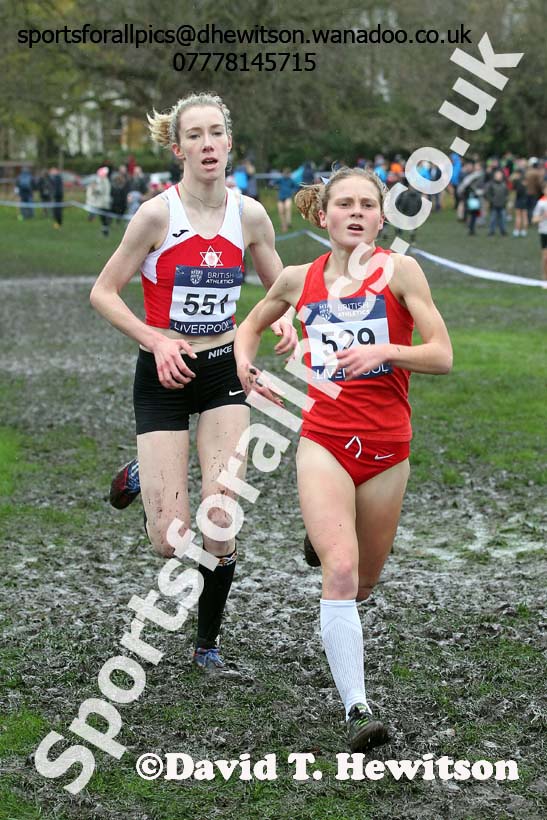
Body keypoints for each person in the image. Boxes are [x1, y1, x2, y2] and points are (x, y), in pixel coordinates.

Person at [233, 167, 452, 752]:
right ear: (323, 216)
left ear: (382, 218)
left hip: (387, 450)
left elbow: (443, 354)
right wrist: (246, 370)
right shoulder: (299, 279)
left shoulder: (400, 272)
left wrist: (385, 350)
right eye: (344, 204)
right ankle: (359, 711)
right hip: (325, 441)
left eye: (367, 205)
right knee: (342, 570)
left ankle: (326, 541)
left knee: (363, 586)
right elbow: (248, 328)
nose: (356, 213)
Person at [90, 92, 297, 674]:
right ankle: (139, 472)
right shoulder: (157, 215)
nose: (207, 145)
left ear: (229, 143)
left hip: (222, 373)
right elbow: (103, 292)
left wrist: (287, 326)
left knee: (222, 517)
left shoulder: (250, 215)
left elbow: (278, 288)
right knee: (168, 539)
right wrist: (155, 340)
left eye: (216, 134)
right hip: (162, 374)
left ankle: (207, 644)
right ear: (178, 148)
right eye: (195, 136)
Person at [484, 169, 508, 236]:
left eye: (500, 175)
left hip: (502, 205)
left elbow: (506, 194)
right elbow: (488, 194)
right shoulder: (491, 184)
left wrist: (505, 200)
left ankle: (503, 231)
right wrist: (492, 200)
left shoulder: (504, 184)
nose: (499, 176)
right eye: (497, 175)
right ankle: (491, 231)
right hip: (494, 205)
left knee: (503, 219)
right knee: (493, 219)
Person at [531, 181, 547, 280]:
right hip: (544, 232)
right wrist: (543, 217)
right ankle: (545, 277)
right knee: (545, 258)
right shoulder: (541, 203)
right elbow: (534, 220)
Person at [275, 168, 298, 232]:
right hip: (280, 197)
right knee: (281, 211)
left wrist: (293, 191)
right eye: (285, 173)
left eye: (287, 173)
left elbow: (296, 186)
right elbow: (272, 183)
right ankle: (283, 225)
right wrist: (275, 187)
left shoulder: (291, 180)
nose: (286, 175)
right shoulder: (280, 180)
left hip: (288, 197)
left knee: (287, 208)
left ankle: (288, 222)